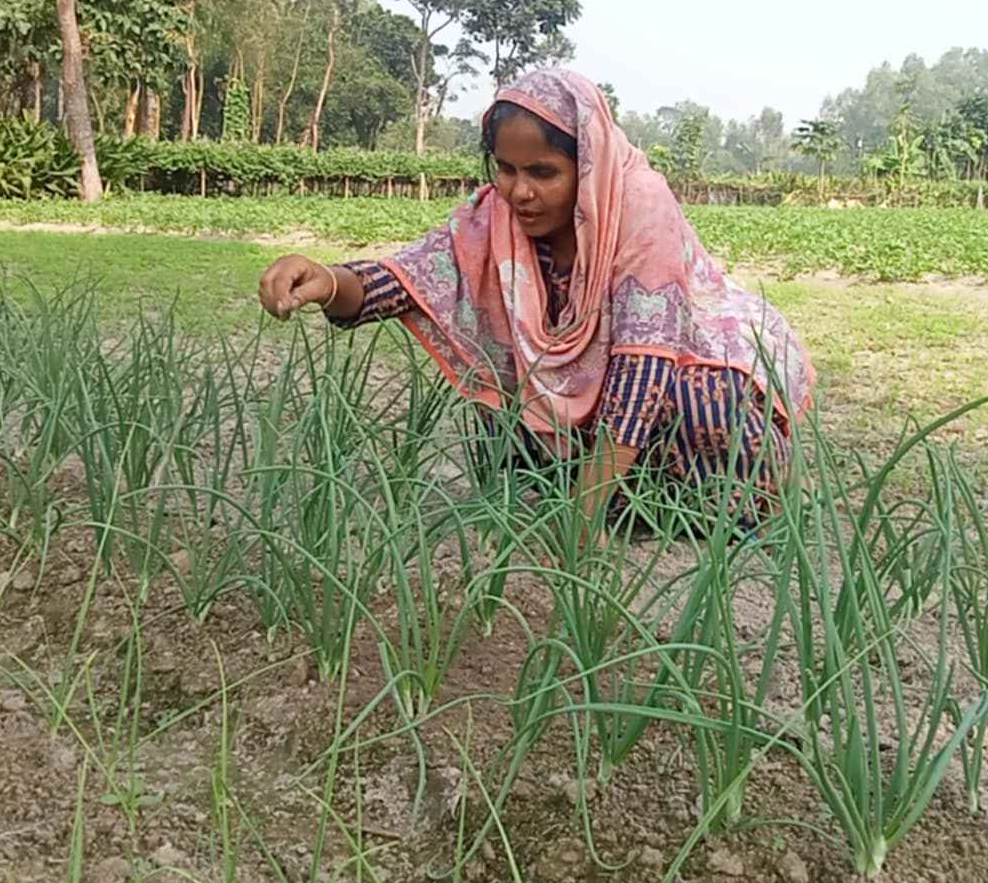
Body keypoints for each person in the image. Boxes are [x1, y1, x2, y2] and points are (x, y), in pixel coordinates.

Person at [257, 68, 814, 535]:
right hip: (596, 392)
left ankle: (702, 508)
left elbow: (643, 367)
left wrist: (580, 528)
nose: (519, 191)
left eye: (543, 173)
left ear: (587, 166)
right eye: (506, 169)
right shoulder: (496, 214)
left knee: (706, 399)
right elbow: (412, 277)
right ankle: (614, 498)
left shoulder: (638, 206)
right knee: (511, 400)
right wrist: (327, 280)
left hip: (695, 355)